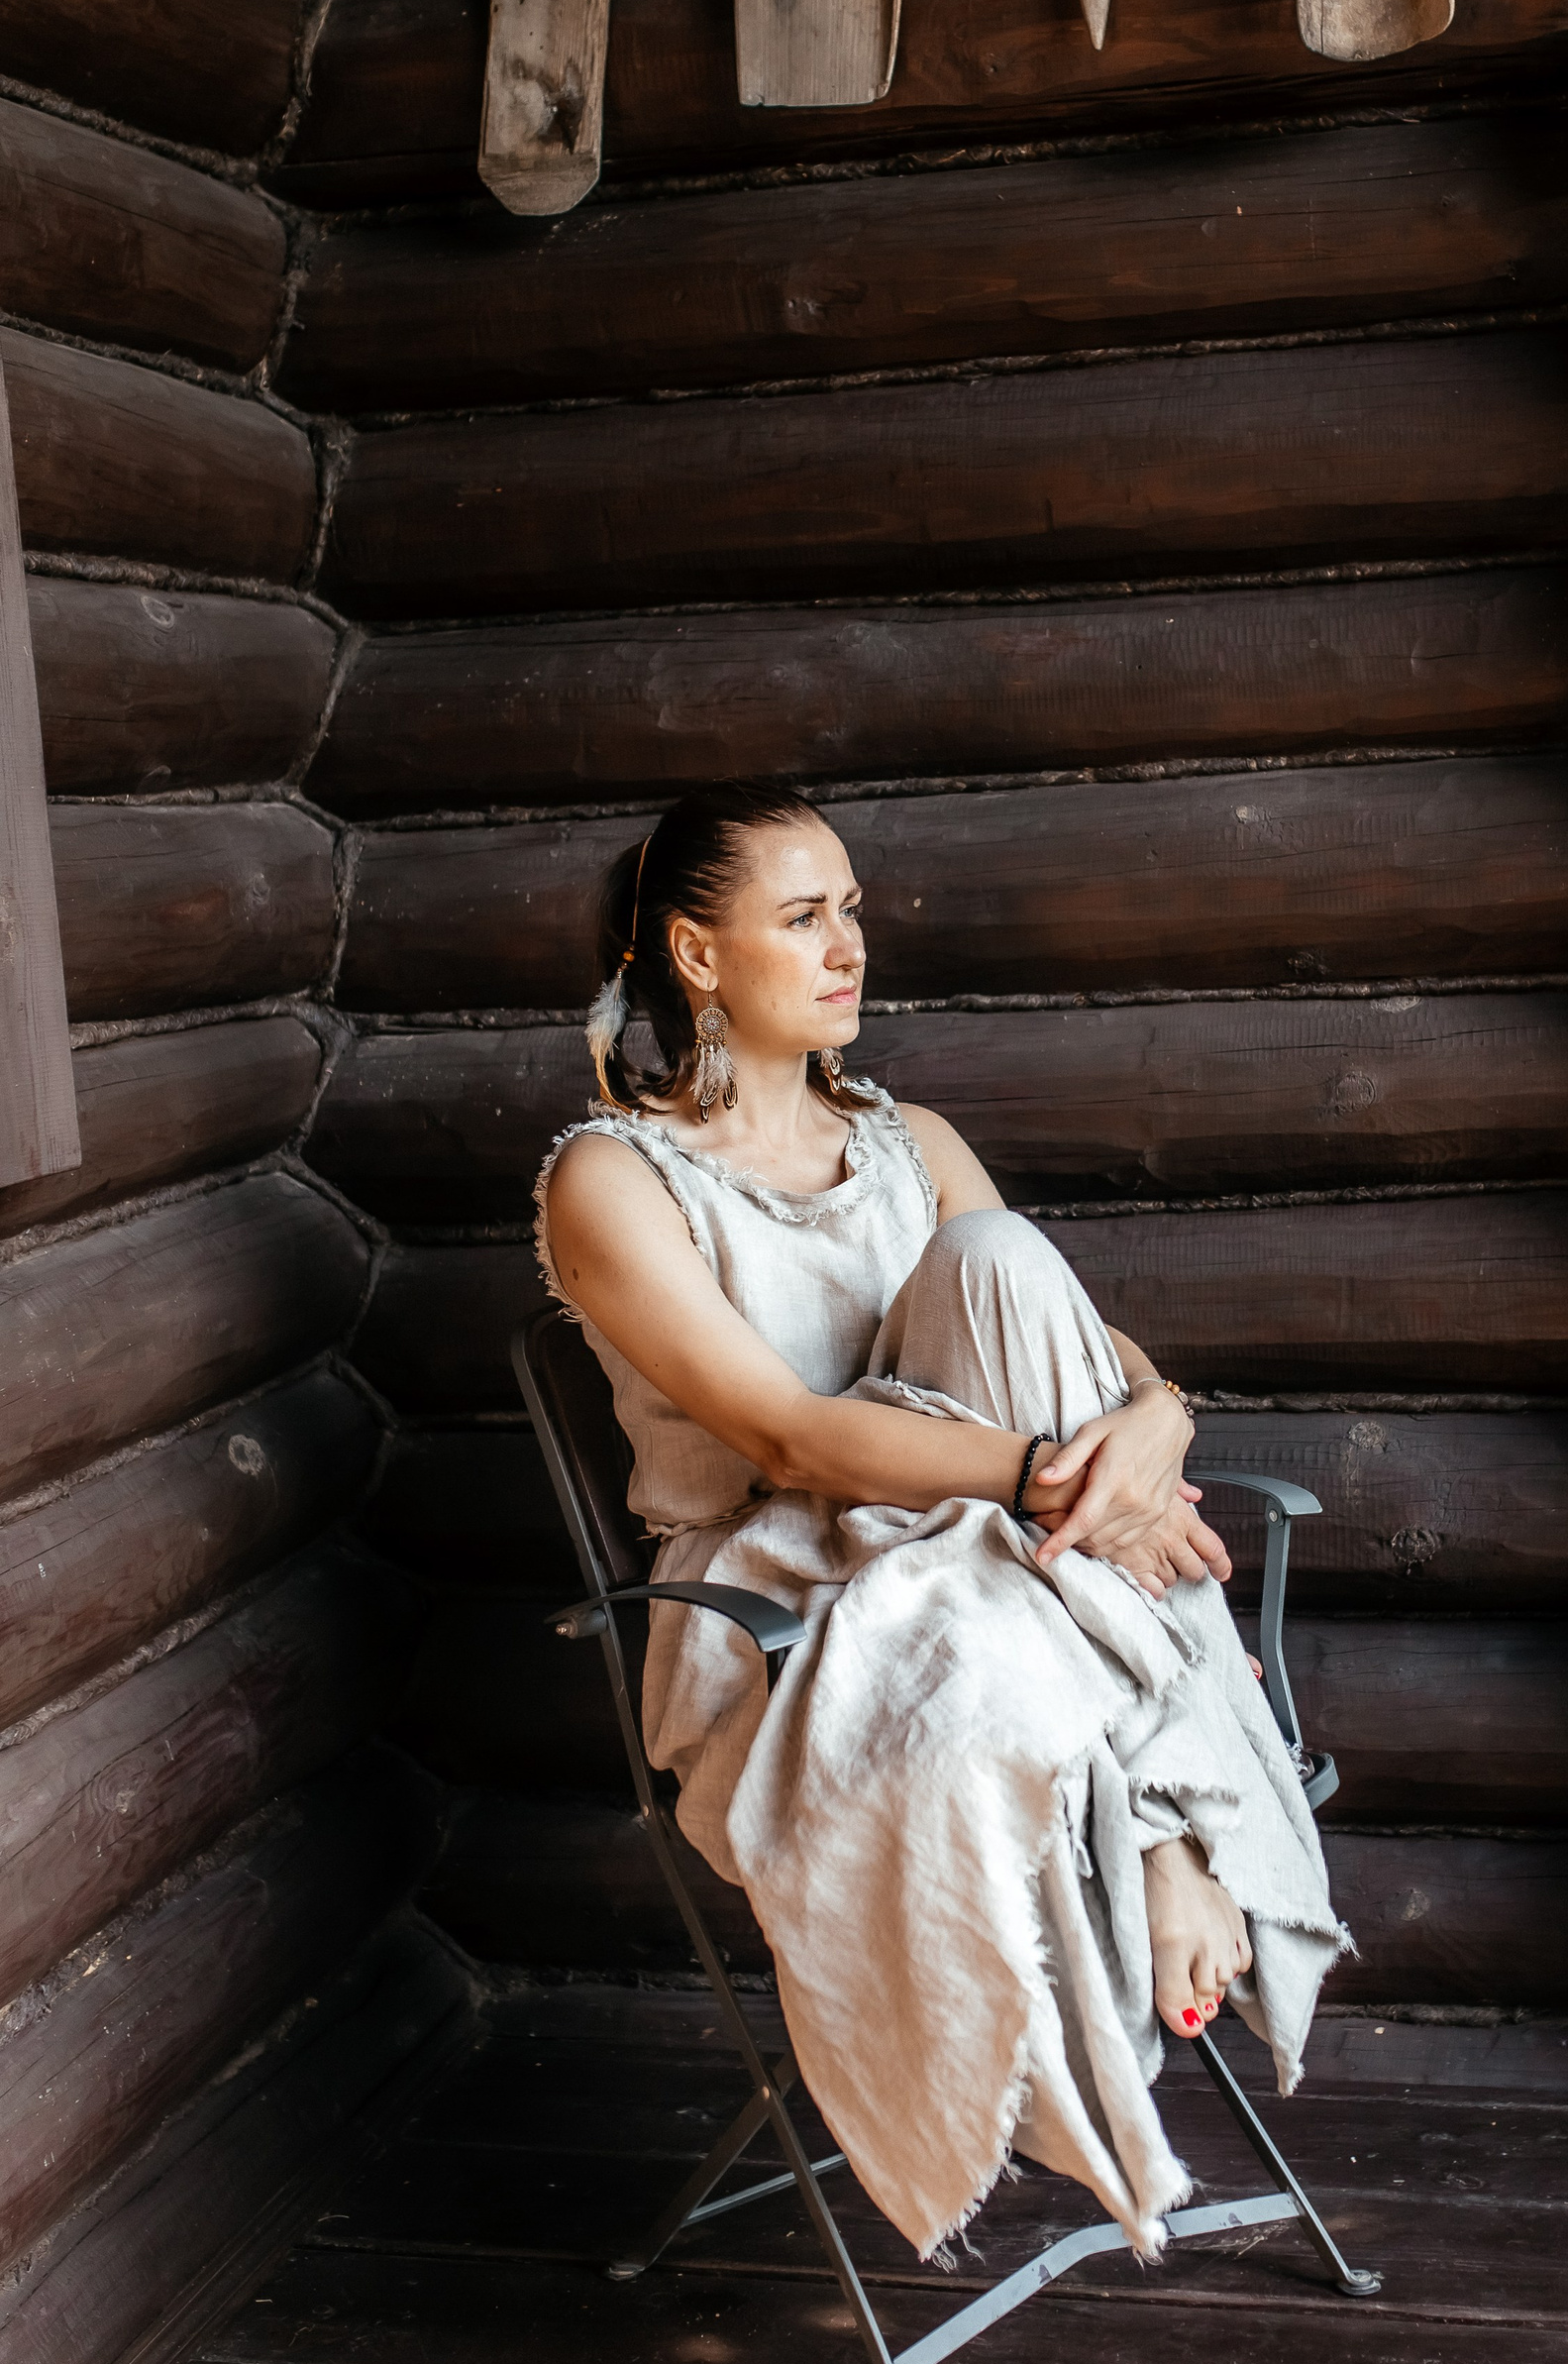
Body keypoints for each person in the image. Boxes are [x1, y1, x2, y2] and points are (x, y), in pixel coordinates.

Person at [536, 779, 1347, 2260]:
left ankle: (1152, 1823)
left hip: (1005, 1550)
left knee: (999, 1260)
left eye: (850, 910)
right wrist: (1060, 1478)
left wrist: (1157, 1419)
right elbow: (786, 1436)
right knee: (982, 1614)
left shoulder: (909, 1137)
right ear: (698, 955)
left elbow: (1089, 1353)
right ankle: (1171, 1822)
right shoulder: (614, 1176)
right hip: (782, 1591)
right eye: (804, 917)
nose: (850, 945)